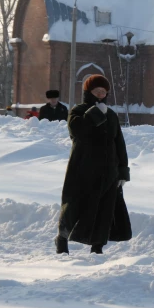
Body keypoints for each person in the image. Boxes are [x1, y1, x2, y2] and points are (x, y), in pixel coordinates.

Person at [55, 74, 131, 255]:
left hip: (108, 172)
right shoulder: (77, 111)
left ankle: (97, 246)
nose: (101, 95)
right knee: (74, 207)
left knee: (105, 209)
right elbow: (77, 131)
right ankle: (62, 239)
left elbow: (119, 143)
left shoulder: (111, 114)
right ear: (88, 92)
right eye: (97, 91)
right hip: (83, 169)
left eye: (104, 92)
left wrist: (122, 171)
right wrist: (96, 114)